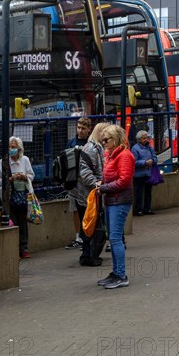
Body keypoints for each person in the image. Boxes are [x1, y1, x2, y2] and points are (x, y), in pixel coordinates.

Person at [96, 125, 135, 289]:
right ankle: (116, 272)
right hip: (113, 200)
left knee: (115, 238)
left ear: (116, 139)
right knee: (113, 238)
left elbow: (124, 180)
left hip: (119, 200)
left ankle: (121, 275)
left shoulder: (124, 155)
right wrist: (103, 183)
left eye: (107, 139)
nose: (104, 142)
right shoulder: (111, 155)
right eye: (103, 140)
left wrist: (104, 187)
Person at [72, 122, 106, 267]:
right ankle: (88, 256)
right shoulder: (92, 149)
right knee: (88, 225)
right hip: (87, 195)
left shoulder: (96, 147)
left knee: (88, 224)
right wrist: (98, 184)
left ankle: (89, 254)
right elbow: (85, 173)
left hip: (88, 194)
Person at [0, 136, 34, 259]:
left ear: (19, 149)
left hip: (22, 195)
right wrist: (10, 179)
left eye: (13, 147)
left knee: (23, 222)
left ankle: (23, 248)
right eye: (9, 147)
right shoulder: (3, 162)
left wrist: (24, 176)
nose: (11, 149)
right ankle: (14, 248)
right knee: (12, 222)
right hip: (10, 196)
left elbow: (31, 175)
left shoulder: (25, 160)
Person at [65, 117, 92, 249]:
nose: (80, 131)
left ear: (89, 129)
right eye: (78, 127)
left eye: (83, 128)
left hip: (86, 182)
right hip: (73, 181)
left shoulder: (91, 143)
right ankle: (78, 237)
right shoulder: (72, 142)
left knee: (88, 210)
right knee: (75, 210)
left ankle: (88, 236)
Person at [131, 130, 158, 216]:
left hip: (148, 173)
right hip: (139, 175)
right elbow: (134, 162)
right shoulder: (135, 149)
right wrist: (145, 162)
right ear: (139, 139)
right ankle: (138, 209)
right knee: (139, 192)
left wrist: (153, 160)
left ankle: (147, 208)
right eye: (144, 138)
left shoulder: (150, 147)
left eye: (147, 138)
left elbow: (155, 157)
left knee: (148, 192)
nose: (146, 140)